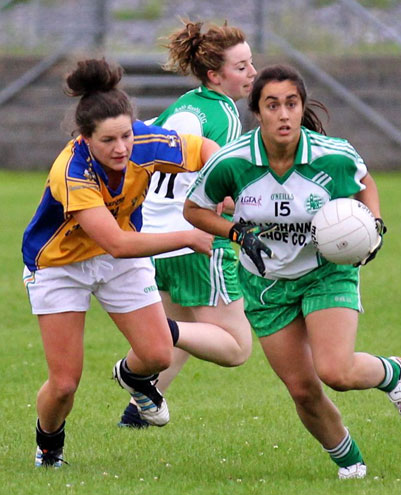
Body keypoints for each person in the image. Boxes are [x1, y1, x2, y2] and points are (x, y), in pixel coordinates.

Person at [183, 64, 401, 479]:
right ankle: (351, 466)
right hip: (264, 284)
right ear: (257, 112)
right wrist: (237, 233)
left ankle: (393, 372)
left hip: (324, 271)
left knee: (336, 371)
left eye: (291, 104)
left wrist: (375, 225)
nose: (283, 114)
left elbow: (364, 180)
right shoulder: (233, 161)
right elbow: (193, 209)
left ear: (301, 108)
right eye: (272, 105)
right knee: (302, 389)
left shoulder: (331, 155)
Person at [22, 58, 254, 468]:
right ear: (85, 139)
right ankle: (48, 448)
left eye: (127, 135)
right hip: (60, 265)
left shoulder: (144, 141)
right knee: (63, 384)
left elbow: (203, 149)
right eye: (109, 140)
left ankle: (132, 377)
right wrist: (187, 235)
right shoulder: (72, 171)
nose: (122, 148)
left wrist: (223, 182)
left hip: (118, 262)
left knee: (158, 353)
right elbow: (115, 242)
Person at [119, 19, 257, 428]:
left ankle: (137, 414)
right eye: (242, 67)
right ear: (216, 75)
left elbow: (143, 153)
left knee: (179, 331)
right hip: (196, 241)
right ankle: (133, 363)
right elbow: (223, 187)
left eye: (251, 63)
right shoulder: (225, 115)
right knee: (235, 347)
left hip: (153, 240)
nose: (252, 73)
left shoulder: (182, 105)